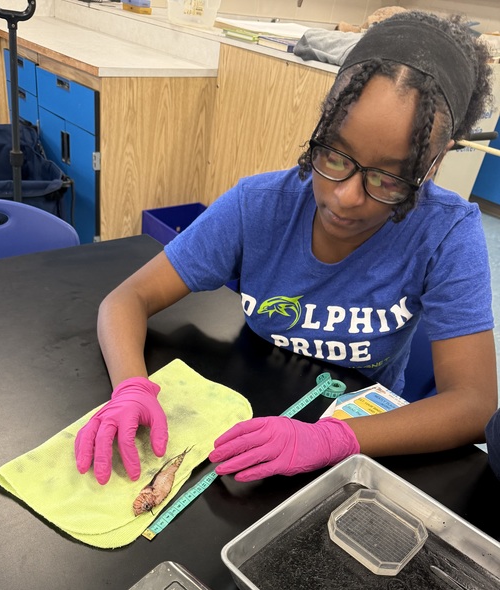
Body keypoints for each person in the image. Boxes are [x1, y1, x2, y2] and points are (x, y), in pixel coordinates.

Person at [75, 10, 498, 486]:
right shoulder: (258, 206)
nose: (346, 197)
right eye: (334, 156)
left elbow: (474, 403)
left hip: (365, 438)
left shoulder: (446, 234)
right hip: (251, 406)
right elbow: (126, 300)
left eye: (388, 178)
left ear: (432, 165)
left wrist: (334, 438)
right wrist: (132, 388)